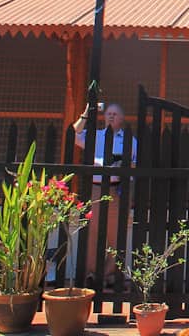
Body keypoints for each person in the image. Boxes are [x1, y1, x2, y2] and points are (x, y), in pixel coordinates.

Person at [73, 102, 138, 288]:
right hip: (95, 188)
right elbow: (74, 135)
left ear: (122, 118)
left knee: (115, 234)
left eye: (115, 114)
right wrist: (86, 113)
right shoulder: (95, 136)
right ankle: (92, 274)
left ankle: (109, 275)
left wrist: (123, 167)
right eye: (108, 113)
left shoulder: (129, 141)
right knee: (92, 232)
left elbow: (135, 165)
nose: (111, 116)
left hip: (116, 190)